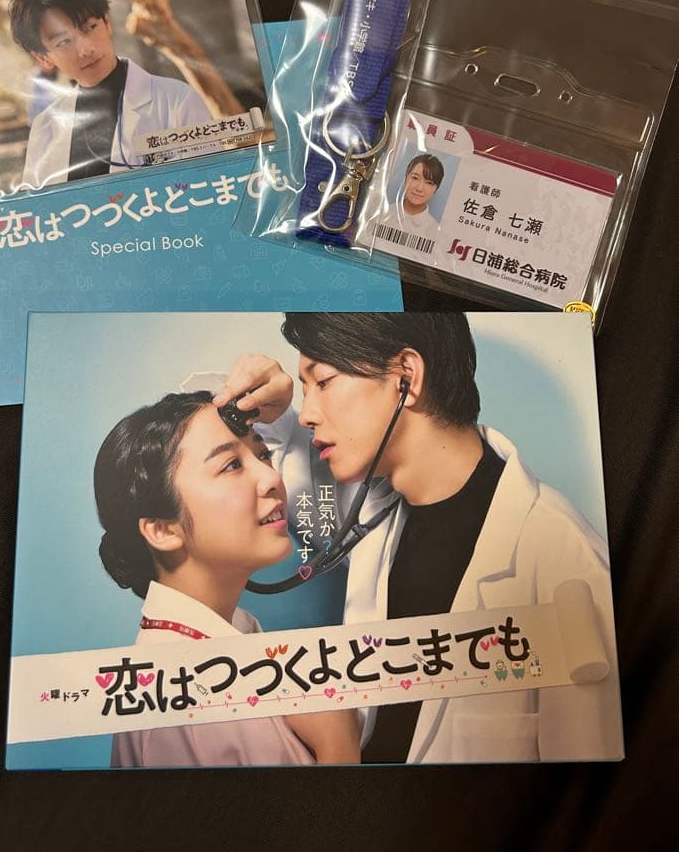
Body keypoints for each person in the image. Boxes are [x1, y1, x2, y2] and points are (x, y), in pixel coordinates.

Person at [253, 312, 622, 764]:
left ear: (406, 377)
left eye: (323, 382)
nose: (308, 413)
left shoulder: (566, 562)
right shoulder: (372, 514)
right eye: (304, 389)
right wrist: (267, 410)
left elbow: (589, 782)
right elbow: (287, 479)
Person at [95, 390, 360, 767]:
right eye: (232, 465)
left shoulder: (215, 653)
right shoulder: (178, 695)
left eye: (262, 454)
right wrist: (339, 745)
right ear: (162, 529)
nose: (271, 477)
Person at [9, 0, 212, 188]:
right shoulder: (45, 128)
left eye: (89, 27)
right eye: (64, 41)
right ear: (43, 57)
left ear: (107, 22)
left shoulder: (177, 101)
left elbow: (208, 187)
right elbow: (40, 207)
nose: (85, 49)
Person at [380, 152, 444, 245]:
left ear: (436, 188)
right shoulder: (381, 214)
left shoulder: (436, 231)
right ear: (406, 177)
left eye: (429, 183)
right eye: (415, 178)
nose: (419, 188)